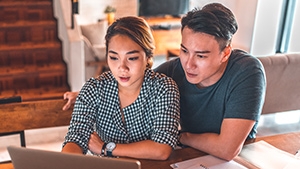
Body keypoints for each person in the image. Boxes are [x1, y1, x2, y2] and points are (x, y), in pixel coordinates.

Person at [63, 3, 266, 161]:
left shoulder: (246, 71)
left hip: (236, 160)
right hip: (188, 158)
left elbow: (227, 149)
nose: (188, 64)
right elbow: (134, 80)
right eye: (184, 50)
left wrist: (180, 137)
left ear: (225, 53)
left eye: (201, 56)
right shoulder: (173, 71)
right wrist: (84, 94)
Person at [61, 16, 180, 161]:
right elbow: (76, 138)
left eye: (132, 58)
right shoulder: (93, 89)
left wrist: (106, 148)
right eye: (114, 57)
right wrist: (65, 162)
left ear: (148, 56)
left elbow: (162, 148)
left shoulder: (164, 88)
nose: (122, 68)